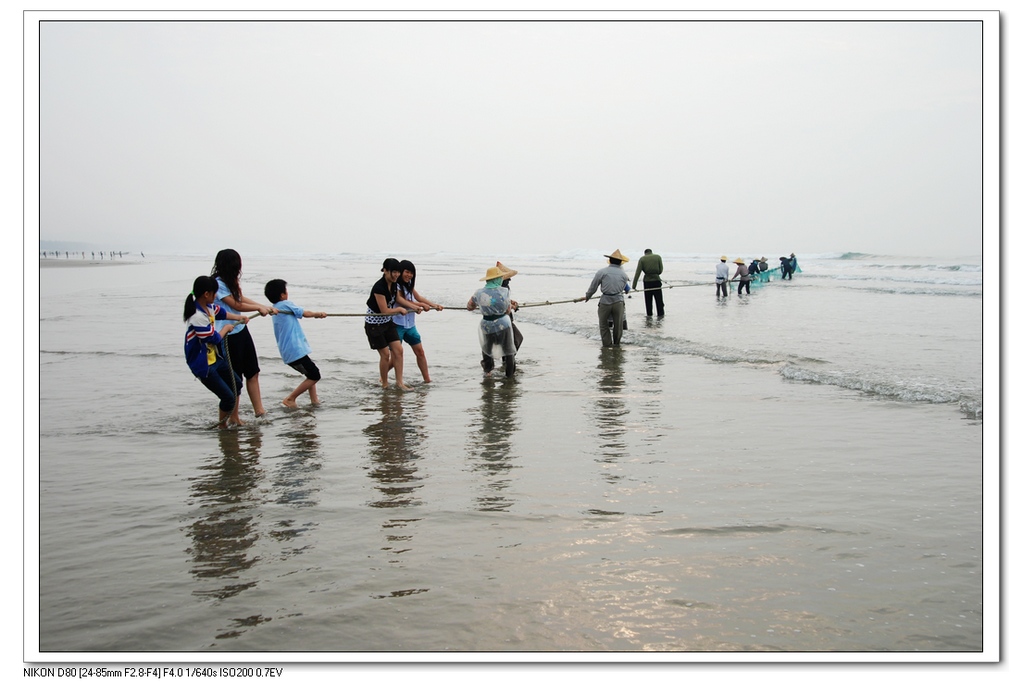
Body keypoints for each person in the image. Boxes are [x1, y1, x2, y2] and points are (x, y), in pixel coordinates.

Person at [211, 249, 277, 418]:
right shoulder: (217, 284)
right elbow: (237, 305)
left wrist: (264, 306)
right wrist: (258, 308)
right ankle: (234, 417)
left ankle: (259, 411)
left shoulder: (230, 282)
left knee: (253, 372)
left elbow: (241, 298)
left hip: (241, 331)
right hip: (228, 336)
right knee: (235, 378)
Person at [183, 275, 250, 428]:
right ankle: (222, 426)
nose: (216, 296)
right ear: (206, 294)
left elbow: (223, 313)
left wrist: (240, 318)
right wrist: (226, 328)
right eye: (214, 293)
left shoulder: (209, 308)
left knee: (237, 384)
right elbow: (213, 339)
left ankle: (233, 419)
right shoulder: (197, 316)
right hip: (204, 366)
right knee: (228, 397)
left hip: (215, 359)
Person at [264, 278, 327, 408]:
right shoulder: (285, 305)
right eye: (285, 291)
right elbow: (305, 313)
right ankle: (290, 399)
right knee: (315, 375)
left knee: (310, 374)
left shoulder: (275, 308)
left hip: (290, 351)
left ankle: (314, 401)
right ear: (282, 295)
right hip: (295, 350)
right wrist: (318, 314)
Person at [365, 258, 411, 390]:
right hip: (374, 323)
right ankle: (385, 384)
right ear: (385, 270)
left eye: (398, 272)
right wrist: (398, 310)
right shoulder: (379, 287)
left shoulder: (394, 284)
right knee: (385, 354)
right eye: (393, 272)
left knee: (399, 351)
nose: (396, 275)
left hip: (387, 322)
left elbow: (398, 299)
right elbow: (384, 311)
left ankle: (399, 382)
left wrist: (414, 306)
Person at [394, 259, 441, 383]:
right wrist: (418, 306)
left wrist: (433, 305)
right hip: (397, 324)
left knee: (420, 352)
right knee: (396, 356)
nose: (409, 275)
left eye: (411, 273)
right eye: (407, 272)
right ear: (400, 272)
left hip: (410, 325)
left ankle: (427, 380)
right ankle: (383, 377)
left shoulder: (409, 285)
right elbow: (401, 300)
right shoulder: (396, 286)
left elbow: (419, 297)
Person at [467, 265, 519, 377]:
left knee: (487, 348)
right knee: (509, 350)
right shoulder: (504, 291)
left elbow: (470, 306)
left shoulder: (479, 293)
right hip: (503, 324)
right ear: (497, 279)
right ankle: (509, 375)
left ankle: (488, 371)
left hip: (486, 325)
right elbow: (507, 310)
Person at [583, 249, 631, 347]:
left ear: (610, 260)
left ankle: (607, 344)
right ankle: (617, 344)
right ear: (620, 262)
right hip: (619, 301)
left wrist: (588, 296)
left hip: (605, 301)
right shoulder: (624, 275)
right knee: (618, 325)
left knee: (603, 325)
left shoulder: (602, 272)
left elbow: (593, 286)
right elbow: (625, 289)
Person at [632, 248, 665, 317]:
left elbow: (637, 273)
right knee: (659, 300)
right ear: (651, 252)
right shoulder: (658, 257)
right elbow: (660, 270)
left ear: (645, 253)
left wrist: (634, 286)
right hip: (656, 281)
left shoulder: (642, 259)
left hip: (647, 282)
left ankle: (649, 315)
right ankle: (661, 315)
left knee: (648, 301)